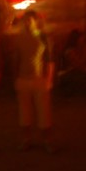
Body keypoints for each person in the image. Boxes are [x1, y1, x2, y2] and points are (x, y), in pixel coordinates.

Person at [12, 11, 55, 153]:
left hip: (39, 80)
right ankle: (26, 140)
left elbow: (49, 60)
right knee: (24, 113)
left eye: (29, 20)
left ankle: (47, 141)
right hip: (23, 79)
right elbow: (16, 59)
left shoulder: (42, 36)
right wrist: (15, 79)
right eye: (25, 20)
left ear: (35, 21)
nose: (27, 23)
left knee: (44, 113)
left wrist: (49, 79)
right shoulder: (19, 38)